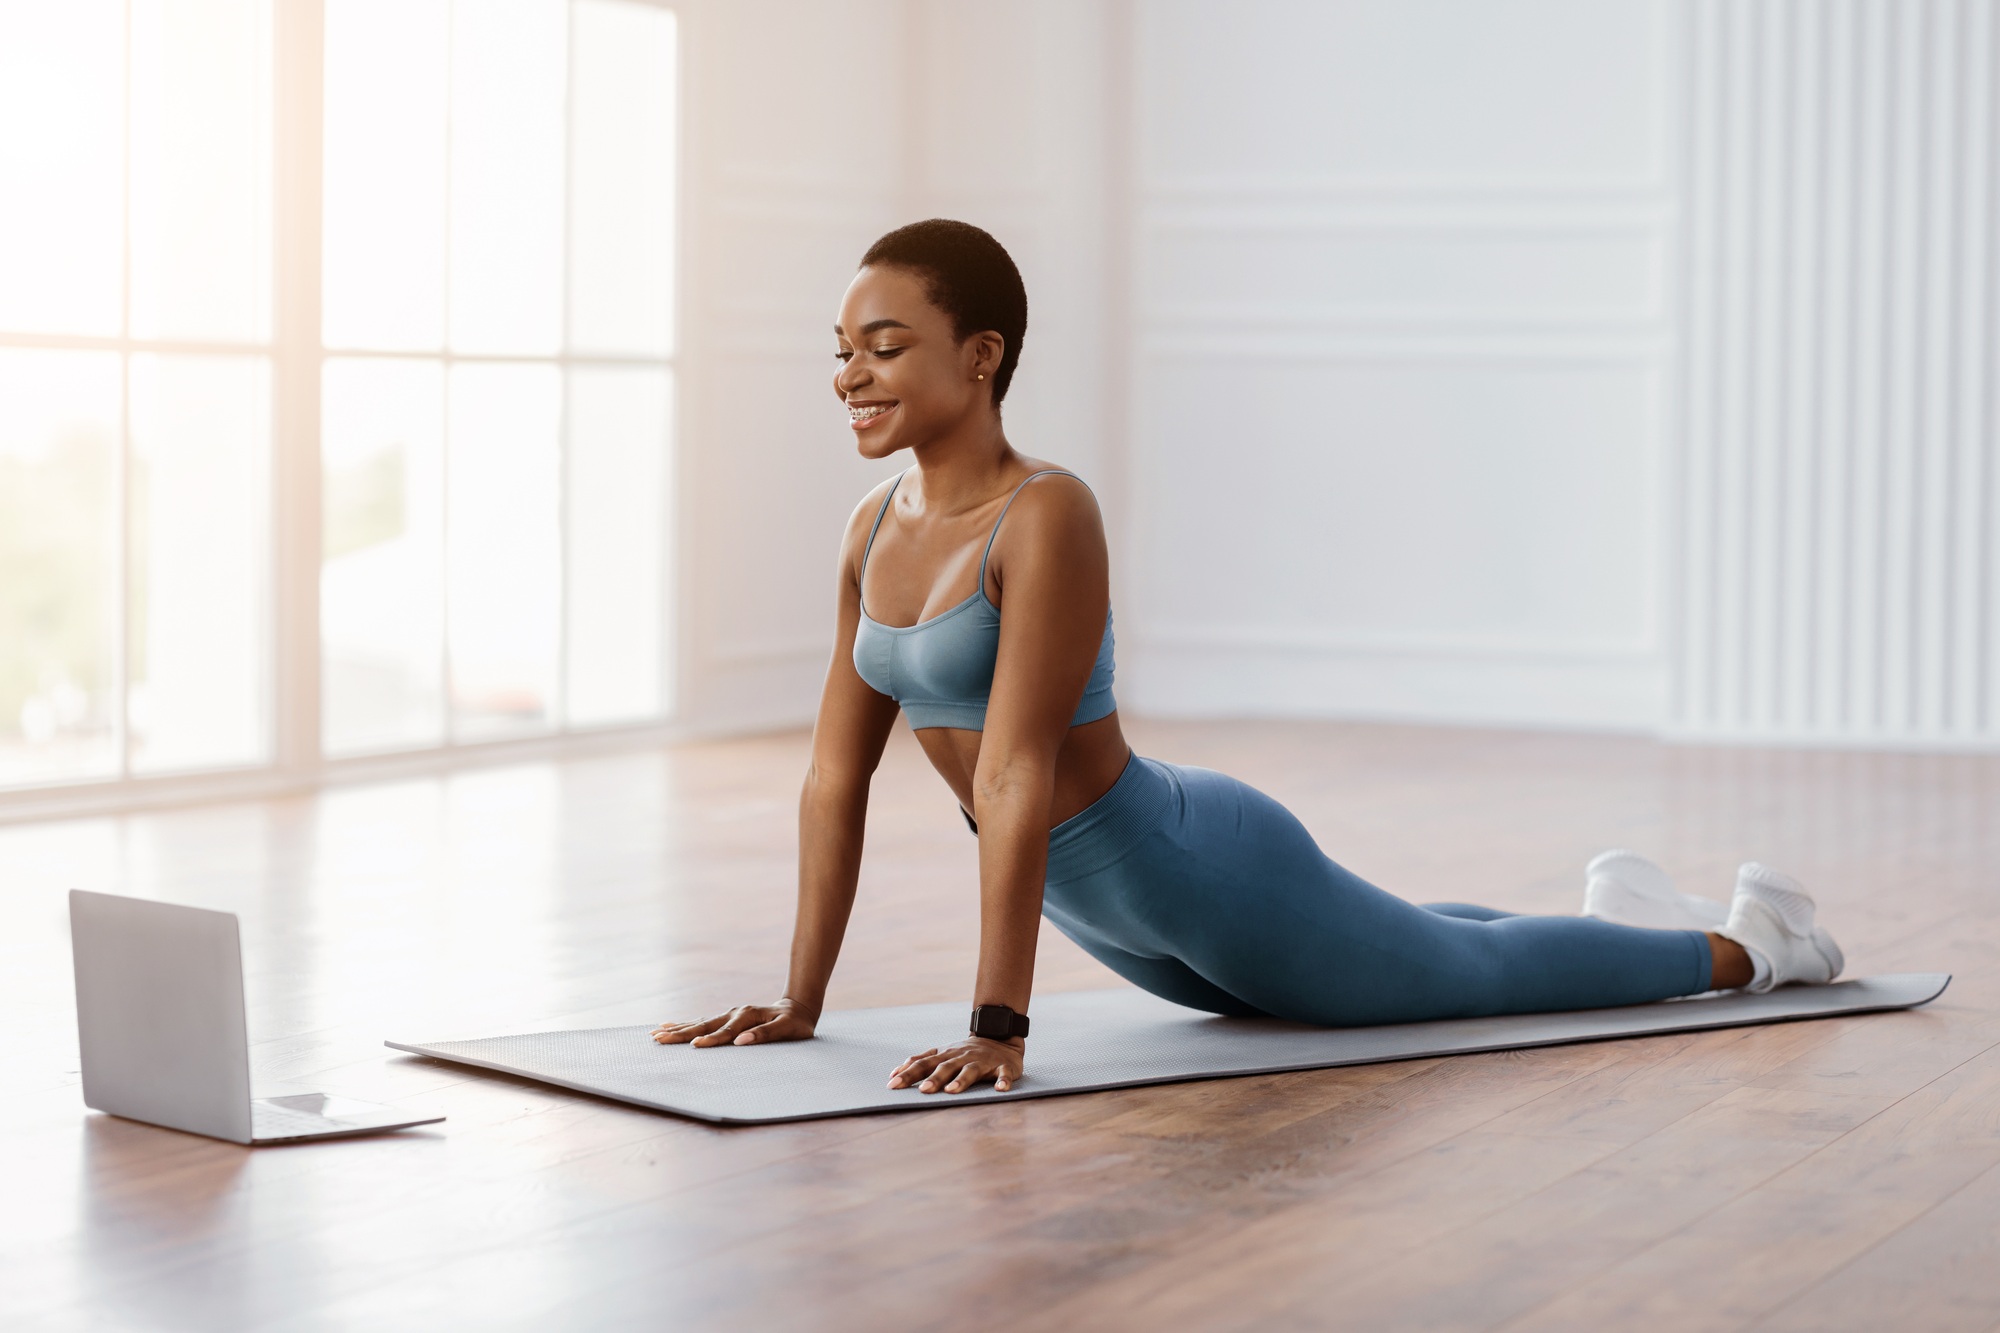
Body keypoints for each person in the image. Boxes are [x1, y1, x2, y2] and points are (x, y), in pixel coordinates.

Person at [651, 219, 1845, 1095]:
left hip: (1189, 865)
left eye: (883, 344)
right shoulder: (868, 528)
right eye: (841, 347)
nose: (847, 373)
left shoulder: (1044, 514)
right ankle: (1624, 912)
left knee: (1456, 976)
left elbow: (1012, 772)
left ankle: (1757, 948)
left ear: (979, 356)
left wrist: (1000, 1024)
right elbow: (830, 779)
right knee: (1408, 948)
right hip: (1102, 908)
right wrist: (801, 1001)